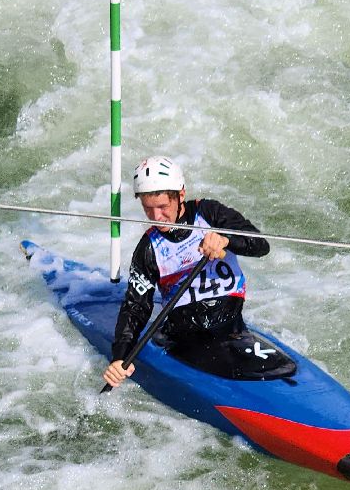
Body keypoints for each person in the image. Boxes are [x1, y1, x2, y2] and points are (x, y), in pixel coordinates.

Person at [102, 155, 274, 389]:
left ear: (181, 195)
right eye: (148, 208)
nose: (156, 217)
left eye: (163, 207)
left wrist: (227, 239)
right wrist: (120, 355)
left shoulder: (210, 214)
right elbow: (136, 307)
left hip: (231, 328)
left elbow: (261, 246)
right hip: (184, 340)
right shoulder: (148, 248)